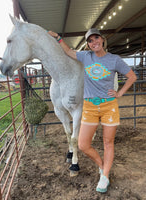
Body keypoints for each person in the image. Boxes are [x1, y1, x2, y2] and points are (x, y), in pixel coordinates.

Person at [48, 28, 137, 193]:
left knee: (108, 142)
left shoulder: (114, 60)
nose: (94, 42)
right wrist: (58, 37)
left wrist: (120, 93)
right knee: (83, 145)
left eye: (96, 38)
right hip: (89, 106)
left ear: (102, 39)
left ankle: (105, 176)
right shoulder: (85, 56)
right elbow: (68, 51)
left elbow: (132, 76)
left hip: (109, 106)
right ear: (88, 45)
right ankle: (102, 166)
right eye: (90, 40)